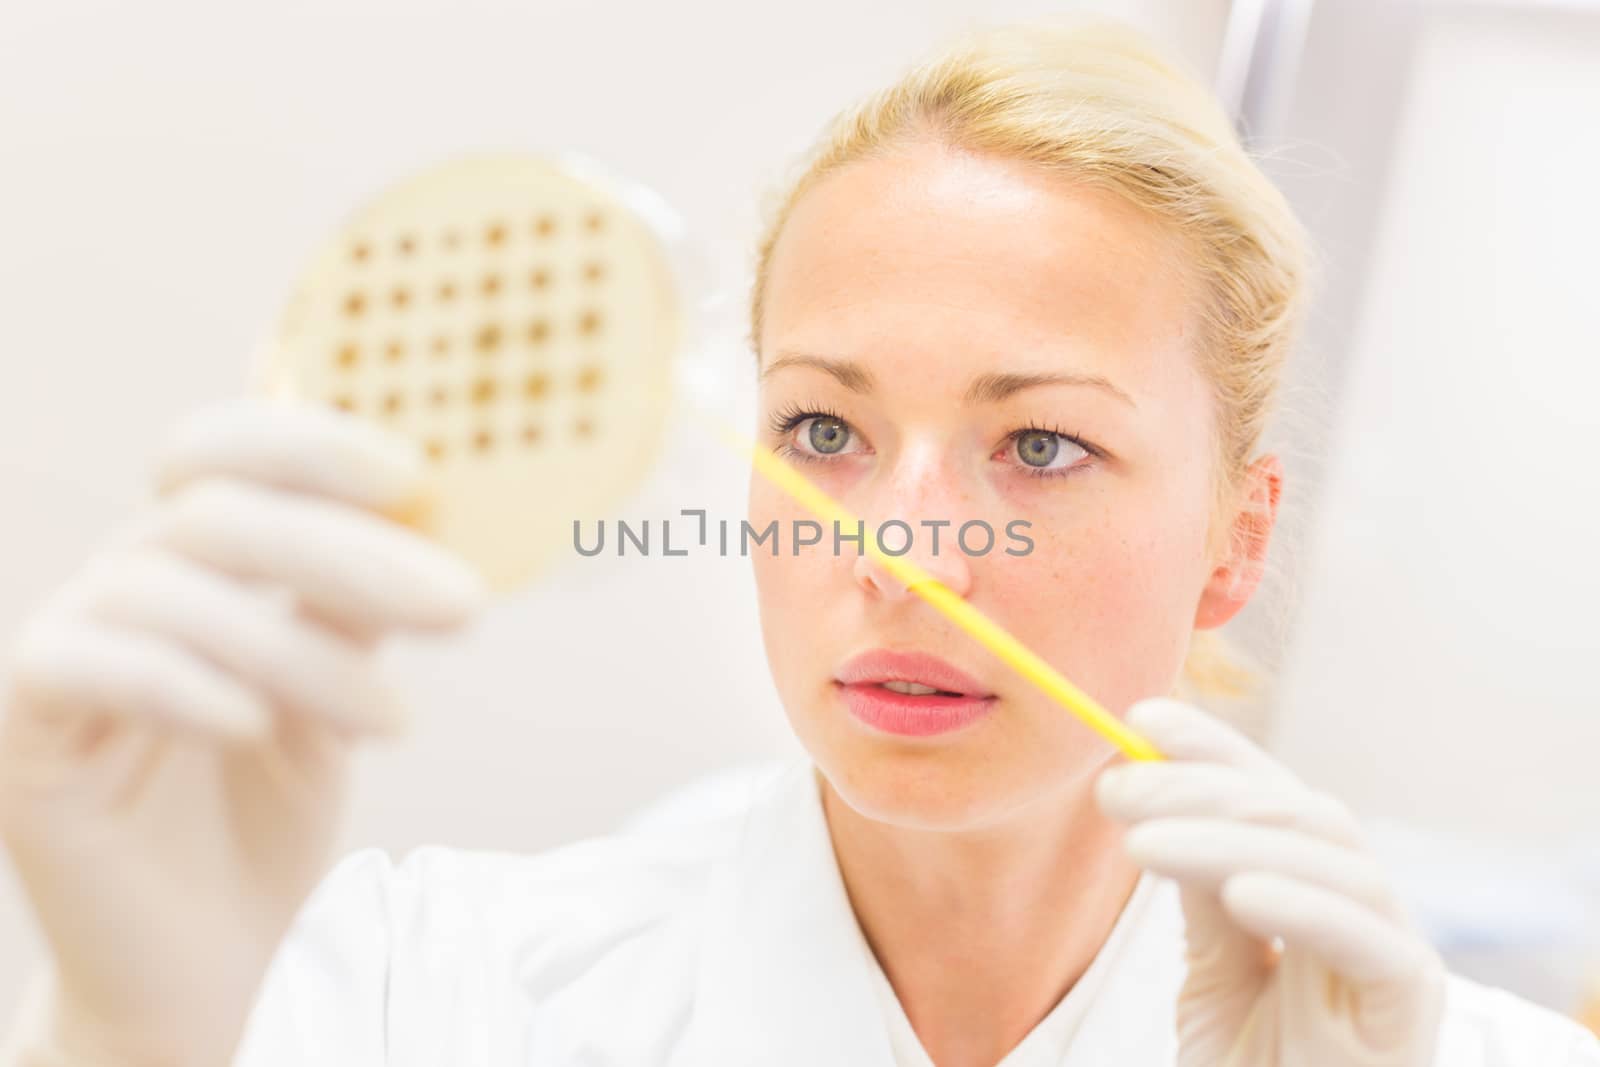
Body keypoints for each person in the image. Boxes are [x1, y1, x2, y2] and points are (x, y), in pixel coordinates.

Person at [2, 16, 1598, 1067]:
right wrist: (126, 1031)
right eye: (823, 432)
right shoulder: (428, 996)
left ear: (1234, 545)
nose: (904, 555)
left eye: (1043, 444)